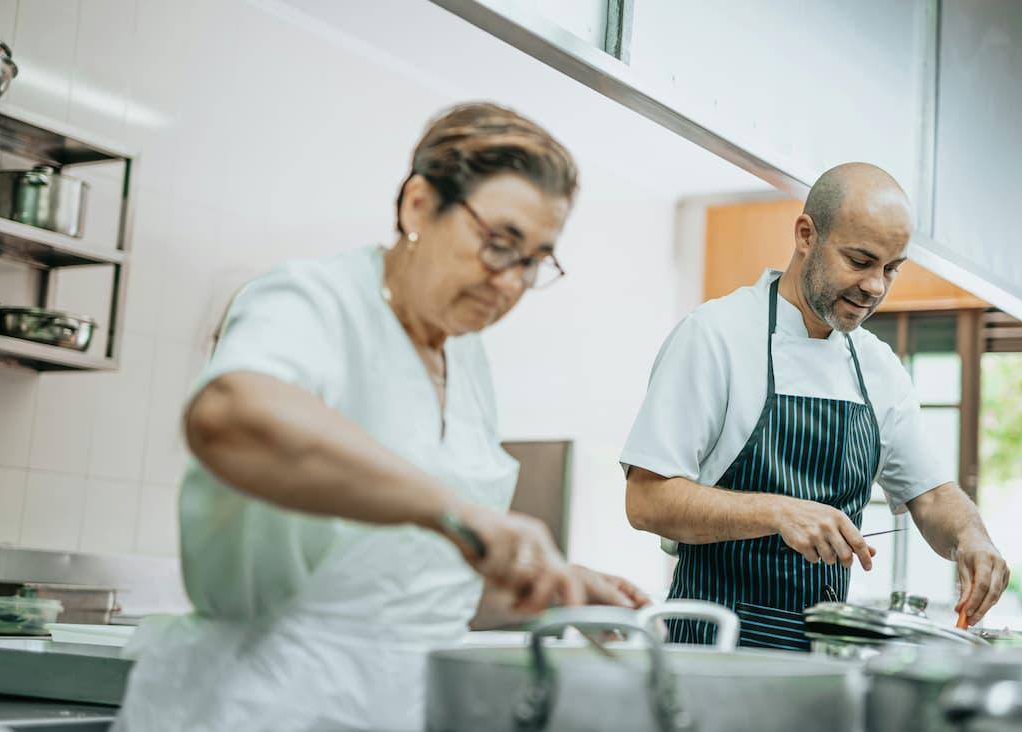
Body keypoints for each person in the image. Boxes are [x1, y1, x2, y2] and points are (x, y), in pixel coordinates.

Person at [115, 102, 647, 732]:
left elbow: (391, 569)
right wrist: (464, 516)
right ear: (418, 206)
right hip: (269, 701)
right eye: (500, 245)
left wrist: (550, 580)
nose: (510, 283)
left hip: (407, 702)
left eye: (533, 261)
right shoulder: (315, 300)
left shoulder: (465, 357)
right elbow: (229, 416)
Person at [621, 162, 1008, 651]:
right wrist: (777, 512)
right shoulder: (716, 336)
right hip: (714, 650)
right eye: (860, 261)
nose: (876, 286)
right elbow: (646, 500)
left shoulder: (877, 365)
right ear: (806, 234)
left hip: (826, 656)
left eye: (891, 269)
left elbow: (930, 497)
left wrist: (972, 537)